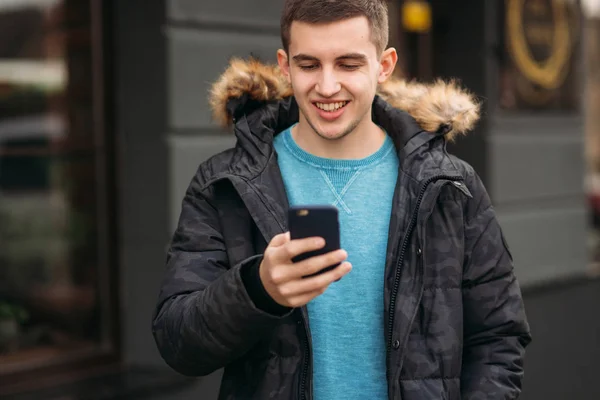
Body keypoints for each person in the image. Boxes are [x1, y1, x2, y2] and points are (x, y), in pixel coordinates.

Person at [152, 1, 532, 399]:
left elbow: (498, 340)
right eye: (309, 64)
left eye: (348, 64)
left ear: (384, 66)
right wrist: (258, 290)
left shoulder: (450, 185)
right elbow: (178, 344)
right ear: (285, 65)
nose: (327, 86)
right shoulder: (224, 183)